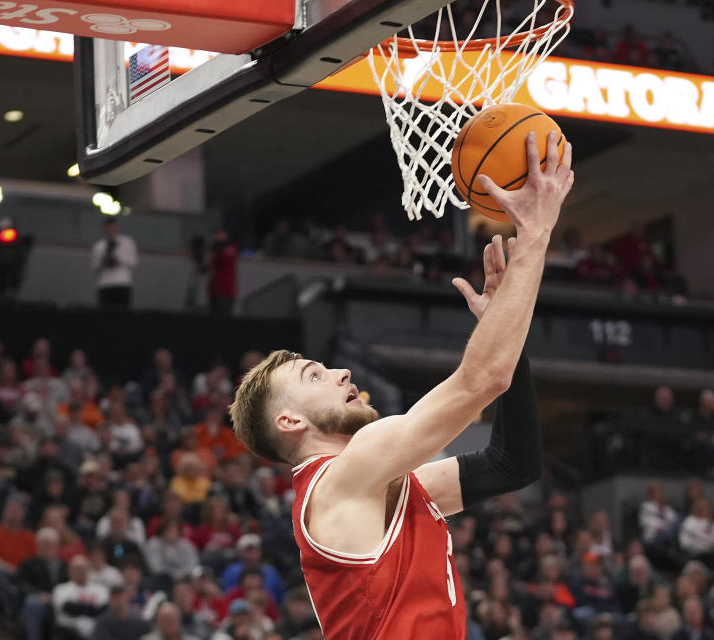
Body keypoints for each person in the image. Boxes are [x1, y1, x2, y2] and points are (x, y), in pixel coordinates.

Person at [226, 134, 575, 638]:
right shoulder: (342, 479)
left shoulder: (379, 484)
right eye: (315, 376)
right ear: (290, 421)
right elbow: (481, 379)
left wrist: (507, 330)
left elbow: (512, 463)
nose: (341, 373)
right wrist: (536, 233)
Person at [53, 555, 109, 640]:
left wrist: (80, 608)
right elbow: (68, 608)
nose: (81, 572)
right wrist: (92, 610)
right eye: (77, 569)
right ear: (70, 571)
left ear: (89, 570)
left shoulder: (100, 589)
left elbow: (104, 610)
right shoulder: (61, 589)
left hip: (97, 633)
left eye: (84, 569)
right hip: (69, 634)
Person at [91, 217, 138, 309]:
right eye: (108, 227)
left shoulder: (127, 242)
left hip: (122, 283)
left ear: (116, 227)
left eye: (112, 227)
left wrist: (119, 261)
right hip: (105, 284)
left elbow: (133, 261)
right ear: (104, 228)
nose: (110, 230)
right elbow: (94, 265)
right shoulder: (99, 246)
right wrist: (104, 263)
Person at [207, 228, 239, 315]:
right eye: (216, 234)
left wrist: (215, 251)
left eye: (221, 233)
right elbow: (207, 265)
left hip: (226, 292)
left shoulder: (232, 247)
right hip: (214, 291)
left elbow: (224, 257)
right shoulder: (213, 249)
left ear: (226, 235)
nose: (218, 236)